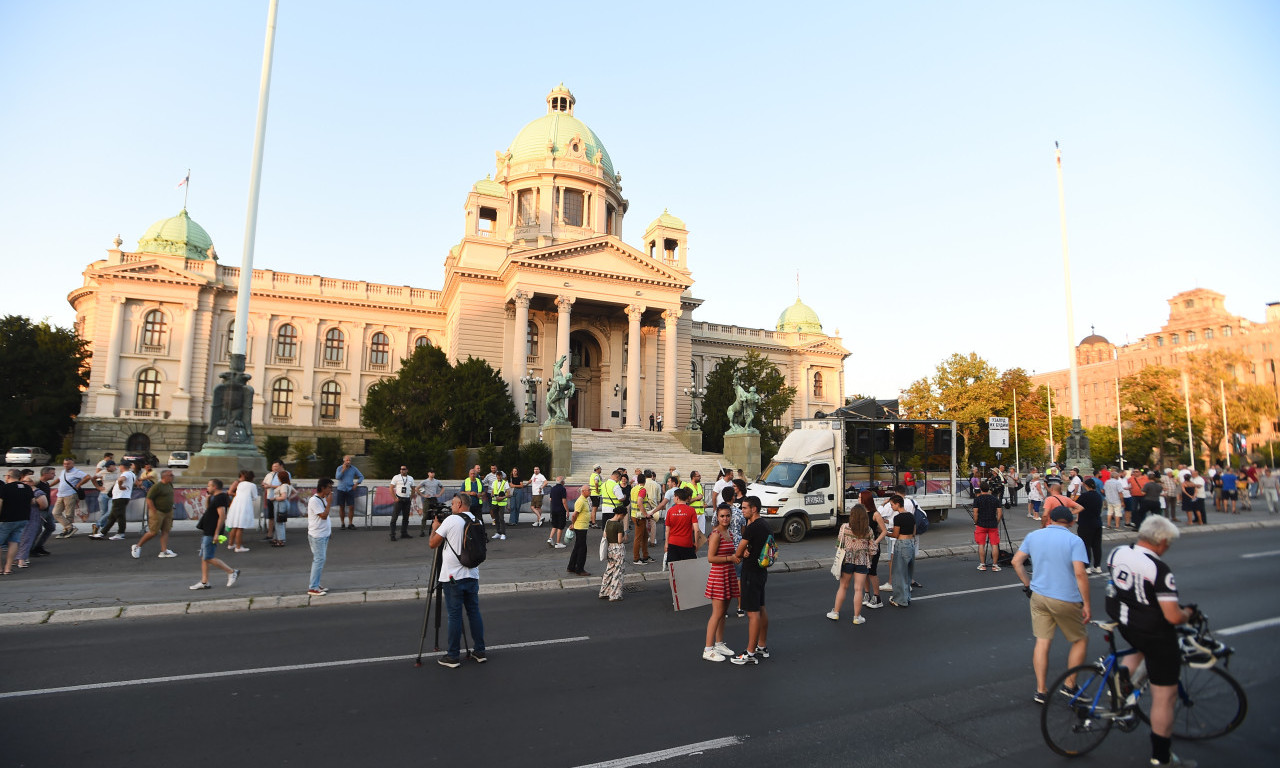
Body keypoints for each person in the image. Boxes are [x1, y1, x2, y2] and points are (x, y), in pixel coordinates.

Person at [1106, 516, 1196, 767]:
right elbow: (1173, 616)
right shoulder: (1158, 569)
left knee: (1139, 647)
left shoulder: (1117, 552)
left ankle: (1122, 682)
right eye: (1169, 543)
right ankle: (1162, 757)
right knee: (1164, 698)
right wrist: (1188, 613)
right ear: (1162, 541)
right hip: (1154, 633)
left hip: (1125, 623)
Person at [1011, 505, 1090, 705]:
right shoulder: (1074, 540)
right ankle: (1070, 686)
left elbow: (1016, 562)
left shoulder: (1033, 536)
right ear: (1071, 522)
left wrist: (1028, 585)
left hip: (1038, 595)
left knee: (1042, 642)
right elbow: (1080, 573)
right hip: (1065, 597)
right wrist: (1087, 603)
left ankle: (1041, 690)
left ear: (1049, 520)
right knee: (1080, 640)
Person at [429, 493, 487, 667]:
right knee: (473, 612)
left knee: (454, 615)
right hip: (472, 574)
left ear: (460, 504)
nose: (452, 506)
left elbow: (433, 543)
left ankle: (453, 655)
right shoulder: (477, 520)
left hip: (453, 576)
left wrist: (435, 527)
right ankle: (480, 651)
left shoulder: (451, 520)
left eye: (453, 503)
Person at [729, 496, 770, 665]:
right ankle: (762, 645)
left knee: (752, 613)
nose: (742, 510)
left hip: (750, 572)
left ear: (754, 509)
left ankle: (750, 652)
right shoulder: (765, 525)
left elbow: (738, 552)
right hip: (761, 571)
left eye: (745, 507)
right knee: (761, 608)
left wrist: (743, 551)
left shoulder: (752, 527)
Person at [702, 503, 740, 661]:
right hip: (718, 576)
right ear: (717, 517)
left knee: (723, 613)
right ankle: (708, 649)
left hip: (728, 574)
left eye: (728, 516)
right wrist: (730, 558)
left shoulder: (728, 532)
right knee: (717, 614)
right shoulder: (716, 534)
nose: (725, 518)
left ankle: (719, 644)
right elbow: (710, 558)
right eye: (722, 516)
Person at [827, 503, 874, 623]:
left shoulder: (844, 527)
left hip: (847, 560)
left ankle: (835, 612)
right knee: (858, 589)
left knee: (843, 586)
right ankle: (857, 617)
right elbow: (873, 549)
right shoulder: (868, 530)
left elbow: (838, 544)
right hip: (862, 560)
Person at [191, 479, 240, 590]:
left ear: (215, 487)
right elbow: (209, 510)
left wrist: (216, 533)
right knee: (204, 557)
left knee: (208, 557)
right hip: (208, 530)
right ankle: (204, 582)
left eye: (209, 486)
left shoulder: (220, 498)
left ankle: (231, 572)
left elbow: (222, 516)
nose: (207, 487)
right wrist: (208, 499)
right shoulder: (215, 497)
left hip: (212, 532)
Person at [133, 469, 178, 559]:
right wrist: (153, 510)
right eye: (170, 475)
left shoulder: (169, 484)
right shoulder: (157, 486)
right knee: (153, 532)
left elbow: (169, 495)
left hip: (168, 511)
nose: (172, 476)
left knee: (166, 531)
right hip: (158, 512)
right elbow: (149, 499)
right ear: (164, 477)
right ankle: (137, 546)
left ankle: (164, 551)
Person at [16, 466, 56, 567]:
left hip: (40, 513)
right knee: (30, 534)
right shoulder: (30, 490)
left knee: (46, 528)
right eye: (52, 473)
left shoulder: (39, 490)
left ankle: (32, 550)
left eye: (25, 481)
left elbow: (43, 504)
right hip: (34, 515)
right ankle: (26, 554)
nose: (23, 482)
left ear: (32, 482)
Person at [0, 469, 35, 574]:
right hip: (22, 518)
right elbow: (33, 501)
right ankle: (8, 568)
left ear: (8, 476)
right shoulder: (27, 488)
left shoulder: (4, 488)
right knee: (14, 542)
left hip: (6, 519)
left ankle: (0, 568)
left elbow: (0, 503)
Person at [92, 460, 135, 541]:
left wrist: (120, 486)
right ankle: (103, 532)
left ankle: (120, 533)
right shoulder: (131, 474)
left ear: (122, 466)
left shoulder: (126, 474)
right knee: (113, 516)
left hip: (120, 497)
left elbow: (121, 480)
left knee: (119, 516)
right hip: (121, 497)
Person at [886, 495, 917, 607]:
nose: (891, 507)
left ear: (897, 504)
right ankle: (906, 597)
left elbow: (895, 534)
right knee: (907, 573)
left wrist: (885, 532)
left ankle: (900, 600)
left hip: (902, 544)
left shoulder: (898, 518)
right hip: (911, 544)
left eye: (892, 505)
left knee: (899, 572)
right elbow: (914, 532)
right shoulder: (911, 516)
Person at [306, 478, 334, 596]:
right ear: (323, 488)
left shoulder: (322, 499)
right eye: (329, 487)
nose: (331, 490)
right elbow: (323, 516)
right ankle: (313, 587)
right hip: (317, 535)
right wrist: (329, 502)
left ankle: (316, 584)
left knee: (320, 560)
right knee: (319, 560)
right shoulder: (314, 500)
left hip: (323, 534)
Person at [52, 458, 90, 538]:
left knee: (69, 514)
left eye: (68, 464)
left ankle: (66, 530)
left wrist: (78, 485)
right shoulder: (63, 471)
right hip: (60, 495)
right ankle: (69, 527)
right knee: (56, 513)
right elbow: (59, 479)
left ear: (73, 464)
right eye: (64, 464)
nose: (66, 465)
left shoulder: (76, 472)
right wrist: (49, 485)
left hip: (70, 494)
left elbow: (87, 477)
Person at [598, 499, 627, 601]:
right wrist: (624, 537)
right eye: (624, 516)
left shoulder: (608, 522)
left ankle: (604, 592)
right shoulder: (619, 525)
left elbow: (604, 535)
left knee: (609, 570)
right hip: (618, 549)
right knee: (618, 572)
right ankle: (614, 595)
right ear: (621, 515)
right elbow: (619, 540)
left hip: (610, 548)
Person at [971, 481, 1003, 571]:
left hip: (981, 524)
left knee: (981, 544)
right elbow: (999, 513)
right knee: (994, 544)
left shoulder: (977, 499)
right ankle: (995, 565)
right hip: (992, 524)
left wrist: (976, 522)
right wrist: (997, 522)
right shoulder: (995, 499)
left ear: (980, 489)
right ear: (989, 489)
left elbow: (975, 513)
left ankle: (982, 565)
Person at [1075, 477, 1104, 573]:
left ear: (1086, 486)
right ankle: (1097, 566)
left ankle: (1087, 566)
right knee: (1097, 546)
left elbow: (1075, 505)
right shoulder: (1098, 496)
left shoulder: (1084, 496)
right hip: (1097, 522)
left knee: (1086, 545)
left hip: (1085, 523)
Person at [664, 486, 699, 562]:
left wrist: (666, 543)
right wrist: (696, 543)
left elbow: (667, 530)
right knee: (688, 566)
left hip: (673, 542)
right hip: (687, 543)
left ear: (677, 498)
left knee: (674, 566)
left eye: (674, 497)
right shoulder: (691, 510)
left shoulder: (670, 511)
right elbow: (696, 530)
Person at [566, 483, 591, 577]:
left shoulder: (584, 500)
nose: (590, 491)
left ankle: (571, 566)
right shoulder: (580, 501)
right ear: (583, 491)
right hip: (580, 527)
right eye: (589, 490)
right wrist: (573, 524)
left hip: (582, 526)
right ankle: (579, 569)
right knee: (582, 549)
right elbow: (574, 515)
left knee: (577, 547)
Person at [333, 455, 364, 530]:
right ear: (344, 461)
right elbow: (337, 477)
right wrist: (343, 470)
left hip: (350, 489)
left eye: (349, 460)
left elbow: (361, 476)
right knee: (341, 507)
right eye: (347, 460)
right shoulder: (339, 468)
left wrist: (356, 484)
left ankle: (350, 523)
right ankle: (342, 523)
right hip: (341, 489)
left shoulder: (354, 468)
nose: (348, 462)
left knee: (351, 507)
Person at [389, 465, 416, 541]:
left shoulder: (410, 478)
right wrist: (395, 498)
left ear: (407, 470)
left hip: (407, 500)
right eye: (401, 469)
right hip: (399, 499)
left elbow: (413, 489)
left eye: (403, 469)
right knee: (394, 518)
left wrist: (410, 498)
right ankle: (392, 534)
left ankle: (404, 533)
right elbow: (391, 488)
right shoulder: (396, 477)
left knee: (406, 518)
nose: (402, 470)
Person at [270, 469, 294, 547]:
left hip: (280, 504)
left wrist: (274, 498)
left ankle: (280, 540)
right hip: (283, 504)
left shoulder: (283, 486)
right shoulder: (288, 485)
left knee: (279, 522)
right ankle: (277, 538)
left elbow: (283, 497)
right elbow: (294, 493)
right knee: (280, 522)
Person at [417, 469, 443, 537]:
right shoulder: (425, 481)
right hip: (427, 500)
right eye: (431, 472)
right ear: (428, 473)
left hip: (434, 499)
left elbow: (443, 488)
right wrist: (423, 495)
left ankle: (435, 531)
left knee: (436, 515)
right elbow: (417, 488)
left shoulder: (437, 481)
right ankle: (422, 531)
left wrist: (439, 494)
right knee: (425, 516)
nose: (432, 474)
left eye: (433, 472)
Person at [546, 476, 568, 547]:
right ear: (562, 482)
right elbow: (564, 501)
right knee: (560, 526)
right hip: (561, 509)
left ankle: (550, 538)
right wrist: (567, 511)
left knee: (554, 525)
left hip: (554, 509)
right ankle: (558, 543)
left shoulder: (553, 488)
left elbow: (551, 499)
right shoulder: (563, 489)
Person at [489, 471, 510, 540]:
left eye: (500, 476)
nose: (499, 477)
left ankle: (503, 534)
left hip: (502, 503)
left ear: (502, 476)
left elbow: (508, 494)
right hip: (495, 502)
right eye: (498, 476)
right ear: (496, 476)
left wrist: (502, 497)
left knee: (501, 518)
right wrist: (492, 495)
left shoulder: (505, 483)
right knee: (496, 518)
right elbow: (492, 491)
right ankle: (498, 532)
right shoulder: (494, 482)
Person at [588, 464, 603, 528]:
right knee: (594, 509)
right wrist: (597, 490)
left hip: (592, 493)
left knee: (593, 509)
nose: (601, 470)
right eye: (600, 469)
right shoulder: (596, 476)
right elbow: (596, 483)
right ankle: (593, 523)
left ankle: (591, 521)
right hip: (595, 494)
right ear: (597, 469)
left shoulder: (592, 475)